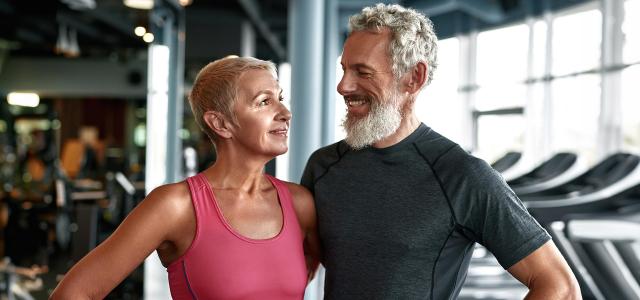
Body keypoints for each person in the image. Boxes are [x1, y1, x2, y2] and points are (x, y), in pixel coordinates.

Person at [301, 4, 580, 300]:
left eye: (363, 72)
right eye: (344, 69)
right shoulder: (324, 167)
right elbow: (295, 268)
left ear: (414, 77)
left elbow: (559, 287)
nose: (343, 86)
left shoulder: (462, 176)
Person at [51, 56, 320, 299]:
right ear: (220, 124)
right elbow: (74, 293)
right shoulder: (176, 205)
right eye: (264, 101)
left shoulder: (300, 204)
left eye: (280, 98)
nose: (285, 113)